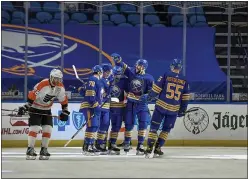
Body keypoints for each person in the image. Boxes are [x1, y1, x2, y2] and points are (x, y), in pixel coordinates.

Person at [18, 69, 70, 160]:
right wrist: (26, 107)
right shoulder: (42, 84)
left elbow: (63, 100)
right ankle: (30, 149)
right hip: (35, 108)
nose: (57, 81)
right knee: (35, 128)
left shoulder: (60, 87)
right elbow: (32, 95)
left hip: (47, 110)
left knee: (48, 129)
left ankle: (44, 149)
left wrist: (65, 111)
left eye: (59, 79)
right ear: (51, 77)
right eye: (55, 79)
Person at [144, 59, 190, 158]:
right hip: (174, 109)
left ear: (172, 66)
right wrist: (183, 109)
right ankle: (158, 148)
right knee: (166, 130)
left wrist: (150, 96)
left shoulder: (166, 75)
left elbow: (157, 88)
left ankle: (149, 148)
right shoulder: (185, 80)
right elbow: (185, 97)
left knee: (153, 128)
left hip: (161, 106)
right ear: (180, 68)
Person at [112, 53, 154, 155]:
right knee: (129, 123)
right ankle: (127, 143)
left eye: (138, 65)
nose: (136, 66)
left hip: (142, 104)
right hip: (131, 103)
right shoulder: (131, 73)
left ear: (143, 67)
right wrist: (118, 61)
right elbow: (123, 66)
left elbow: (152, 92)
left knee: (143, 124)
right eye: (136, 64)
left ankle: (140, 145)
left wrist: (147, 96)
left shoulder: (149, 78)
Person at [80, 65, 103, 155]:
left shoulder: (93, 80)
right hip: (90, 106)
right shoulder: (93, 79)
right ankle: (87, 146)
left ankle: (90, 144)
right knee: (91, 126)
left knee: (95, 126)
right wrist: (95, 105)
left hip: (93, 106)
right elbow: (90, 95)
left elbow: (84, 92)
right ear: (99, 72)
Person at [108, 66, 129, 155]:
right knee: (104, 126)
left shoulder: (124, 81)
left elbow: (128, 92)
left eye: (119, 74)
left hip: (119, 107)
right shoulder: (107, 80)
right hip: (107, 106)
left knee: (116, 126)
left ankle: (112, 144)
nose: (117, 76)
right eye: (116, 74)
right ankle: (100, 144)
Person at [95, 63, 113, 154]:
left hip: (107, 107)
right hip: (100, 106)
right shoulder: (100, 80)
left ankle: (101, 144)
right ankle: (98, 144)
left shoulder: (109, 79)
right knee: (99, 125)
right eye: (107, 71)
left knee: (105, 125)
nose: (109, 73)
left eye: (110, 72)